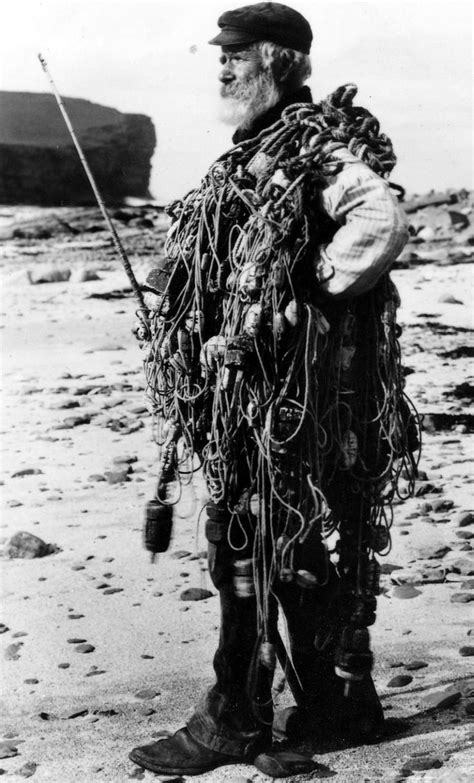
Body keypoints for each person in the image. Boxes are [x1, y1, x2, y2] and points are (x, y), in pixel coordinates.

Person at [130, 3, 419, 778]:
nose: (222, 67)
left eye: (237, 55)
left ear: (283, 63)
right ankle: (339, 705)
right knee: (281, 548)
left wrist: (314, 288)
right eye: (218, 56)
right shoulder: (250, 155)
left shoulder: (316, 151)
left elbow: (381, 220)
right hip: (248, 397)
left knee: (245, 548)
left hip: (282, 400)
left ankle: (235, 721)